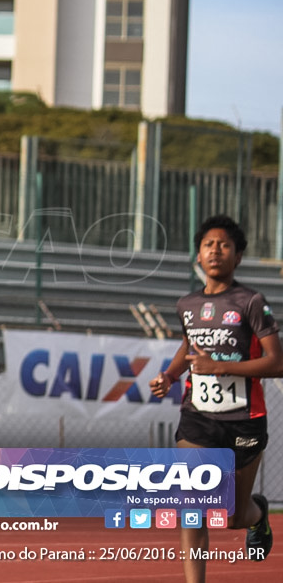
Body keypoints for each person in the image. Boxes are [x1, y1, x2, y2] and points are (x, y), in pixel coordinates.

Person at [150, 214, 282, 583]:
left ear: (238, 256)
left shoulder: (251, 302)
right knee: (192, 507)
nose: (215, 251)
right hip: (198, 419)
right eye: (208, 244)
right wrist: (171, 375)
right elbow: (188, 345)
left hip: (244, 420)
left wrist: (222, 368)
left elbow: (277, 362)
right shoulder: (187, 305)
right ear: (197, 255)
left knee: (233, 516)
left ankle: (257, 513)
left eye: (224, 245)